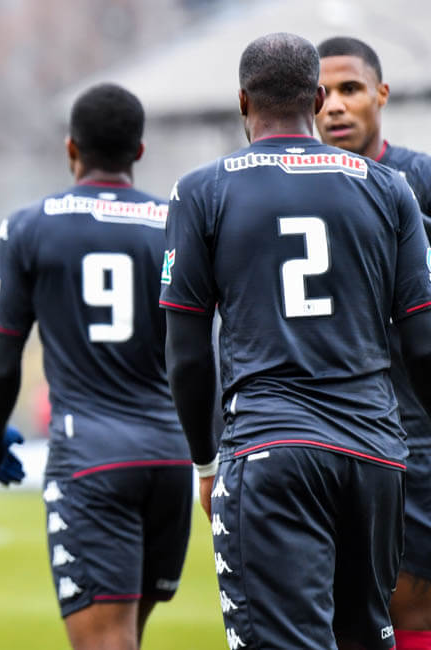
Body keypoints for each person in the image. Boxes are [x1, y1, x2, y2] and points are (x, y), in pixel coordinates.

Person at [162, 33, 431, 649]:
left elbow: (186, 354)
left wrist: (205, 461)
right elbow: (423, 346)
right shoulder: (389, 187)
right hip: (376, 456)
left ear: (241, 101)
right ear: (315, 99)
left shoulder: (202, 190)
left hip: (271, 450)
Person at [0, 83, 191, 650]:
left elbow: (1, 363)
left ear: (70, 147)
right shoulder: (176, 223)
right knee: (128, 635)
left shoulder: (29, 226)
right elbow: (201, 350)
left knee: (105, 643)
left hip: (91, 457)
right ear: (139, 150)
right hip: (170, 455)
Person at [317, 36, 431, 648]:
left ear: (381, 94)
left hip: (414, 431)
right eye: (322, 93)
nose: (335, 106)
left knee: (409, 610)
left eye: (350, 89)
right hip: (320, 432)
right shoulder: (289, 187)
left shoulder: (420, 179)